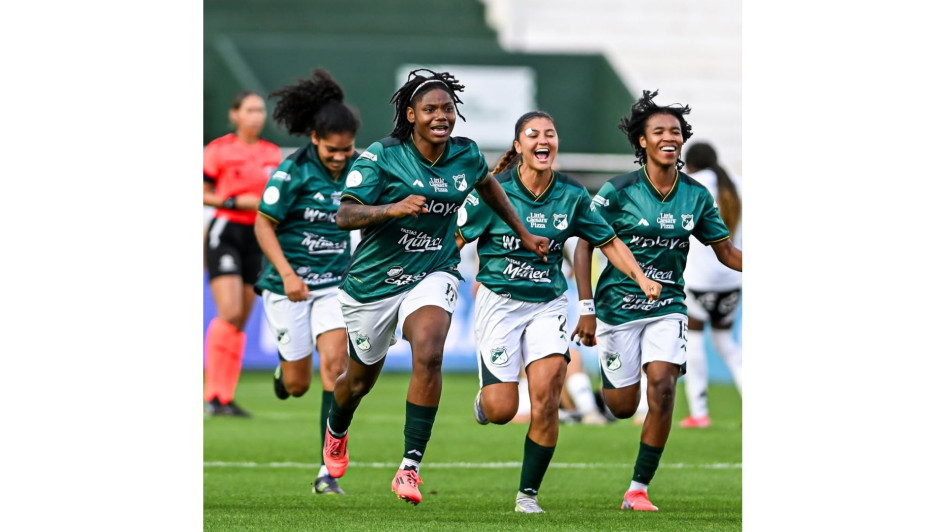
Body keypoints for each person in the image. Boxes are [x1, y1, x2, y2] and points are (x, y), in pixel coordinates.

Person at [320, 68, 550, 506]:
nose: (441, 116)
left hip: (434, 270)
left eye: (448, 108)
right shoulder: (382, 156)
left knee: (429, 349)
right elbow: (345, 216)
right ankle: (337, 428)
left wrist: (520, 231)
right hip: (373, 284)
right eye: (431, 109)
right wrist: (392, 208)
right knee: (357, 382)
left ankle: (410, 466)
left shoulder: (465, 154)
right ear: (411, 114)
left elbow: (489, 187)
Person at [456, 111, 662, 514]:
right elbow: (454, 237)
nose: (542, 140)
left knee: (547, 396)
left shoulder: (572, 195)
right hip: (498, 303)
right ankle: (486, 402)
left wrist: (639, 276)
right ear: (518, 147)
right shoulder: (494, 192)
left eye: (549, 133)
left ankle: (528, 495)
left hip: (548, 304)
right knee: (503, 409)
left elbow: (607, 240)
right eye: (532, 135)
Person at [573, 89, 742, 512]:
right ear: (642, 141)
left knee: (664, 387)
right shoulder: (618, 191)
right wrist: (587, 308)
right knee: (622, 404)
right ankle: (604, 392)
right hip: (616, 310)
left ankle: (638, 488)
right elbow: (583, 246)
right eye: (659, 131)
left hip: (667, 306)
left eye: (676, 130)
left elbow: (726, 251)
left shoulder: (696, 196)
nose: (670, 136)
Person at [253, 68, 360, 494]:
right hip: (289, 287)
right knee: (298, 385)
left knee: (336, 369)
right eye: (333, 149)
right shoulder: (292, 171)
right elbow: (263, 225)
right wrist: (287, 274)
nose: (340, 156)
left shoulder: (359, 169)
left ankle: (326, 470)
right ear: (315, 138)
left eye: (346, 149)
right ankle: (285, 373)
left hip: (335, 283)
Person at [203, 90, 283, 417]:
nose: (256, 116)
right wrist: (234, 201)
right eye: (249, 110)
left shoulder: (272, 153)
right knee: (231, 311)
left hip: (258, 236)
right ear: (235, 115)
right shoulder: (219, 150)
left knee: (241, 319)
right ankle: (213, 394)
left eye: (260, 110)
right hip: (227, 232)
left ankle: (225, 397)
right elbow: (203, 192)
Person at [678, 141, 743, 429]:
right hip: (733, 278)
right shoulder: (738, 184)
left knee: (693, 339)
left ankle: (700, 413)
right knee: (726, 342)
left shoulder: (691, 184)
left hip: (699, 280)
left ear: (689, 164)